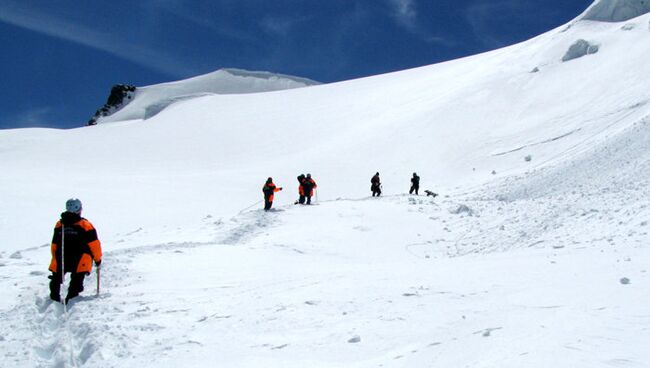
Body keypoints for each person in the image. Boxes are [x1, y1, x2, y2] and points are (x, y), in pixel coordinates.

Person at [48, 198, 102, 304]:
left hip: (61, 256)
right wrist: (97, 259)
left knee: (56, 277)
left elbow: (54, 244)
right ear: (79, 209)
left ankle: (54, 297)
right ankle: (71, 298)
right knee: (77, 279)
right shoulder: (85, 225)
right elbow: (94, 244)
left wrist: (55, 256)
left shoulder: (60, 225)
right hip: (80, 258)